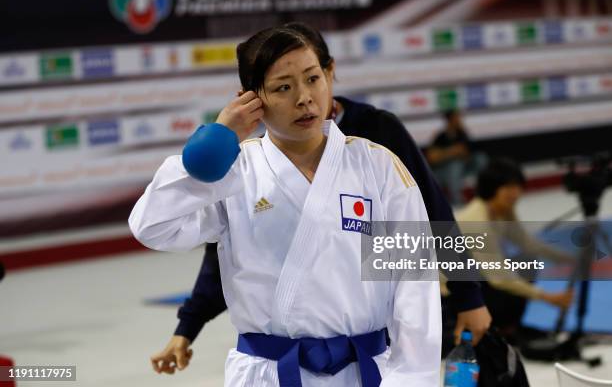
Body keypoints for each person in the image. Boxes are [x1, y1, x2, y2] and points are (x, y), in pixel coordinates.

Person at [149, 23, 493, 375]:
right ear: (251, 99)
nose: (304, 97)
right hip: (271, 371)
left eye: (312, 78)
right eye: (283, 86)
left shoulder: (377, 150)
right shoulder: (238, 169)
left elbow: (423, 244)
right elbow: (193, 242)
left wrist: (468, 295)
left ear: (329, 73)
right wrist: (212, 147)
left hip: (364, 367)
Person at [454, 158, 575, 335]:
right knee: (510, 274)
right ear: (491, 188)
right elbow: (499, 277)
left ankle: (508, 325)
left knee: (527, 261)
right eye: (509, 187)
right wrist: (547, 297)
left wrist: (568, 258)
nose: (516, 193)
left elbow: (527, 243)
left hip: (474, 279)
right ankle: (497, 327)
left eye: (518, 186)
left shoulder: (503, 209)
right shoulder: (476, 221)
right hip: (451, 294)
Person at [426, 109, 486, 205]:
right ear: (450, 119)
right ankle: (457, 201)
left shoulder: (462, 134)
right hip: (444, 171)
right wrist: (451, 152)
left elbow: (467, 152)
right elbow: (432, 157)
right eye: (457, 117)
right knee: (455, 165)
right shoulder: (441, 136)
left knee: (480, 158)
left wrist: (456, 152)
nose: (459, 119)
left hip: (463, 167)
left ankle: (484, 192)